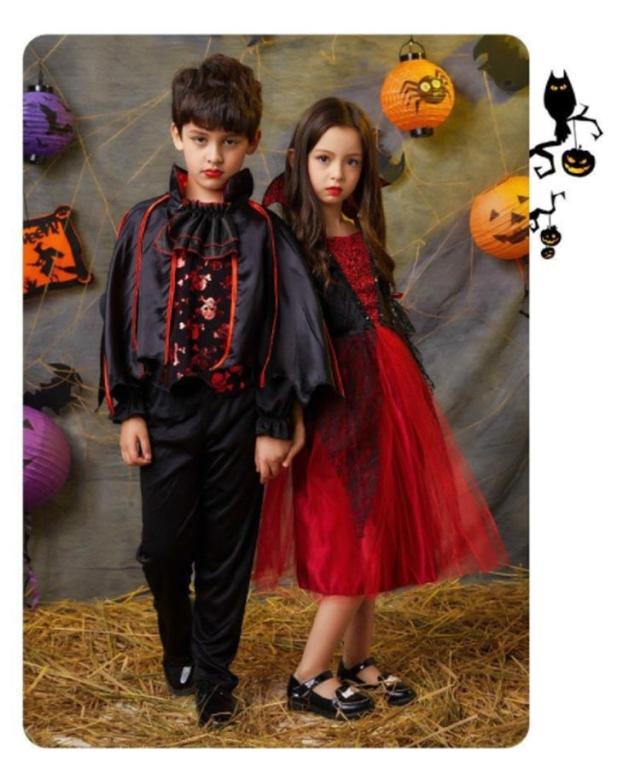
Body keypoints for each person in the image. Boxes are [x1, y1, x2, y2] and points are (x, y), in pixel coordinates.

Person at [253, 97, 509, 721]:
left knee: (377, 528)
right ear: (299, 158)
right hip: (334, 401)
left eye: (351, 162)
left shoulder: (358, 227)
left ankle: (356, 659)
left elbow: (379, 311)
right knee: (352, 537)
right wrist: (287, 417)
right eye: (323, 159)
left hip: (384, 396)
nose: (336, 174)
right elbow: (281, 337)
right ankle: (307, 677)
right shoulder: (286, 237)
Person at [98, 56, 333, 727]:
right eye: (200, 139)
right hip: (165, 410)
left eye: (229, 142)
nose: (213, 156)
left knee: (226, 552)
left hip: (239, 413)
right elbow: (117, 319)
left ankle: (214, 675)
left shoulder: (264, 231)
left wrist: (272, 421)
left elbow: (285, 330)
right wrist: (129, 410)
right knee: (165, 549)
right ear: (177, 134)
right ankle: (179, 648)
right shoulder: (144, 224)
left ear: (251, 143)